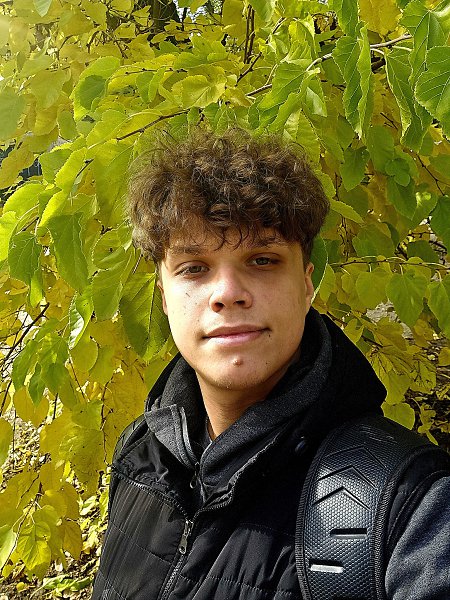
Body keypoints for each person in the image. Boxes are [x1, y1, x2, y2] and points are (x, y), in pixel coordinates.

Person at [92, 129, 450, 600]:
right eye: (194, 268)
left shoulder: (413, 509)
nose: (227, 293)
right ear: (163, 297)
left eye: (262, 260)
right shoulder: (141, 452)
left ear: (307, 285)